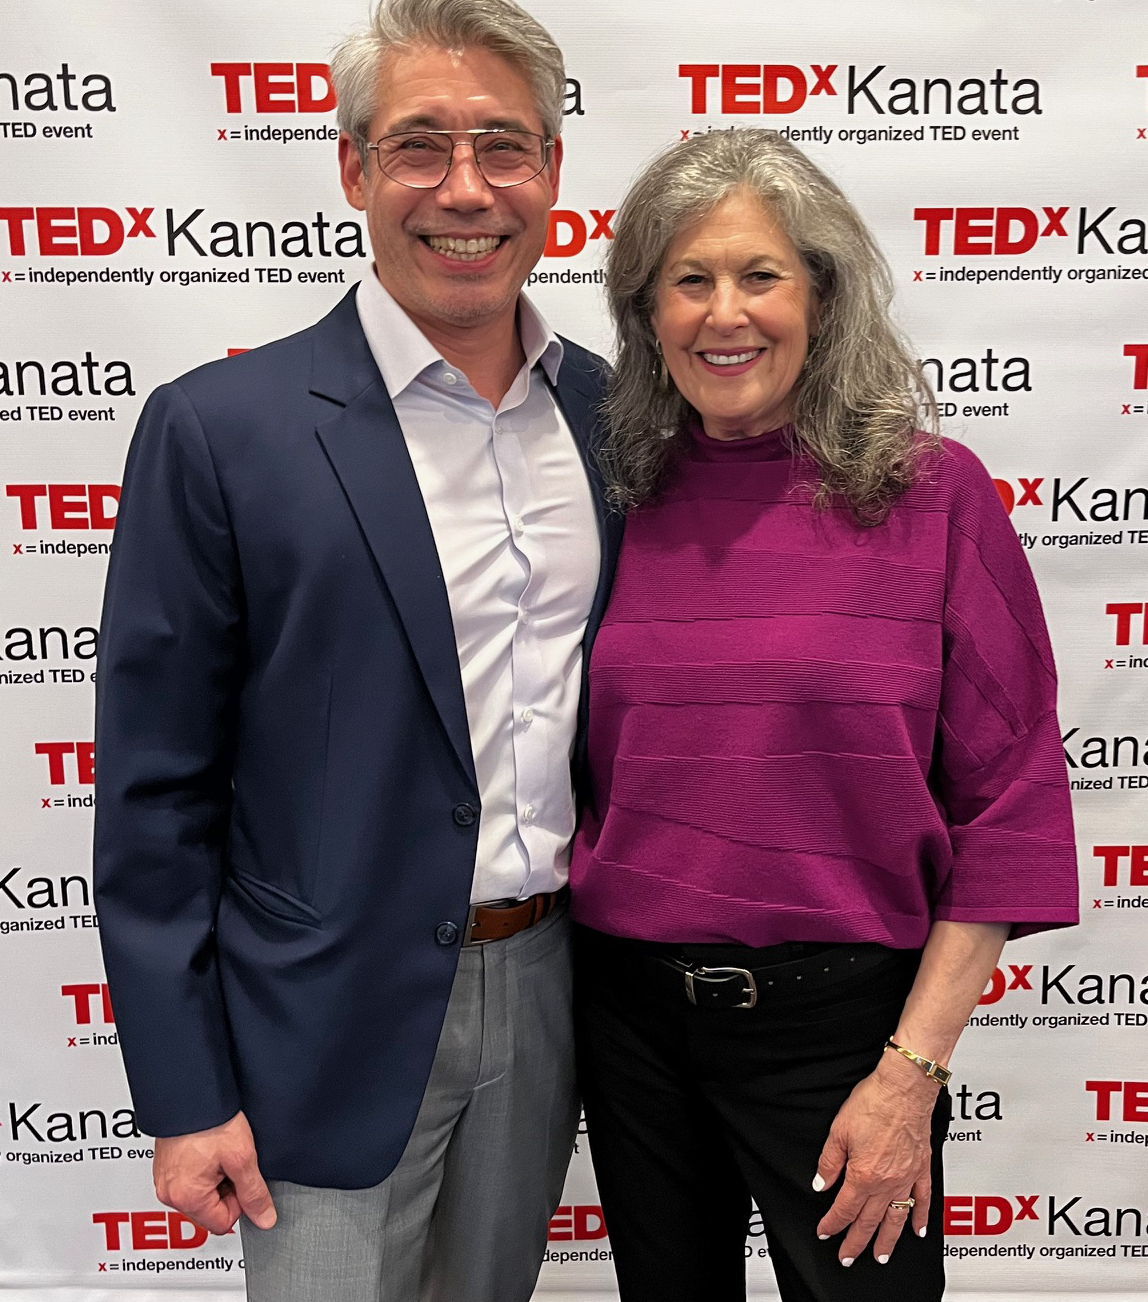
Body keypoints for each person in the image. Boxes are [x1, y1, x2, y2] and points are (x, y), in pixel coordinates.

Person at [93, 1, 621, 1299]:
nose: (465, 188)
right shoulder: (220, 429)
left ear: (552, 168)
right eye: (419, 145)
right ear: (352, 168)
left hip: (557, 983)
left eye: (503, 145)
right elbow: (154, 789)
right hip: (313, 1020)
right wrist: (182, 1088)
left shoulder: (618, 416)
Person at [568, 128, 1078, 1302]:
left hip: (847, 1034)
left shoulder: (932, 494)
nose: (721, 313)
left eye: (758, 275)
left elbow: (1008, 808)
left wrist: (911, 1073)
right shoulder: (610, 502)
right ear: (645, 315)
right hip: (629, 1021)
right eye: (686, 281)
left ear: (823, 293)